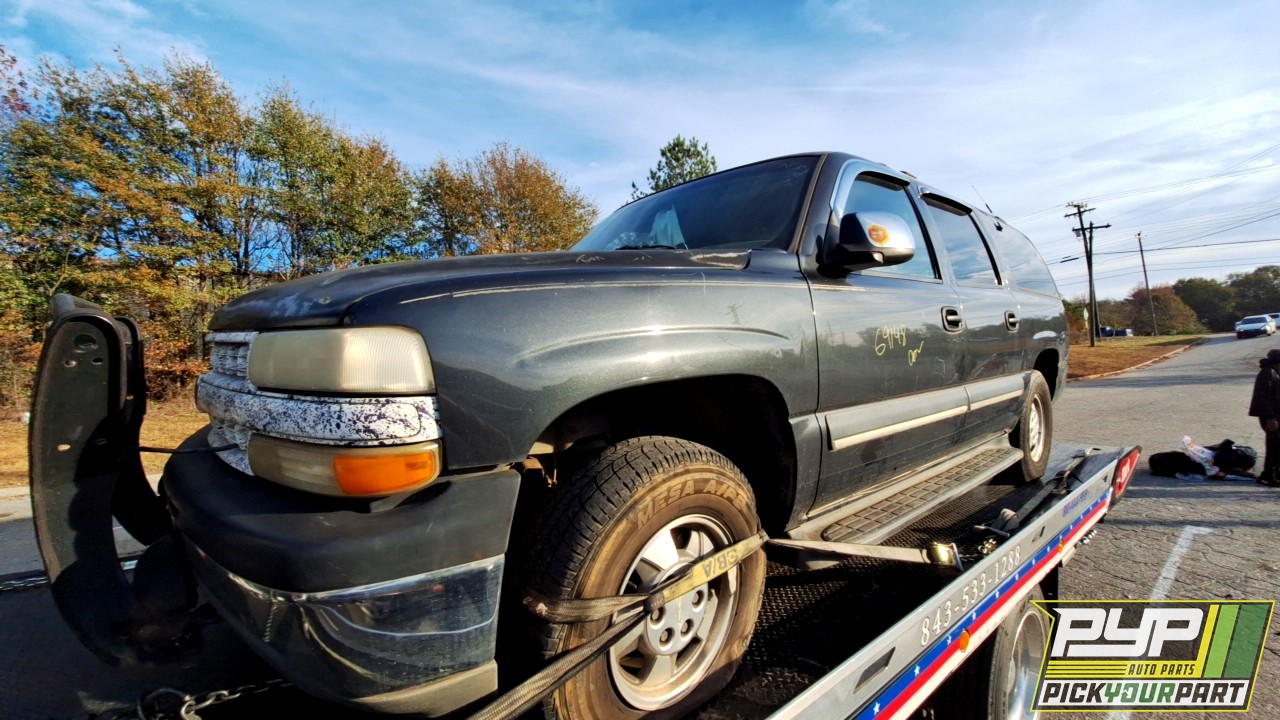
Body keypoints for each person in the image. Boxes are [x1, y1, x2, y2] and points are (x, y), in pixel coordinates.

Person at [1248, 348, 1280, 487]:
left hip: (1275, 415)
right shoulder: (1267, 373)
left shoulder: (1274, 372)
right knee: (1274, 447)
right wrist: (1270, 417)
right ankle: (1268, 475)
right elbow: (1263, 398)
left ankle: (1274, 473)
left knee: (1277, 446)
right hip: (1271, 417)